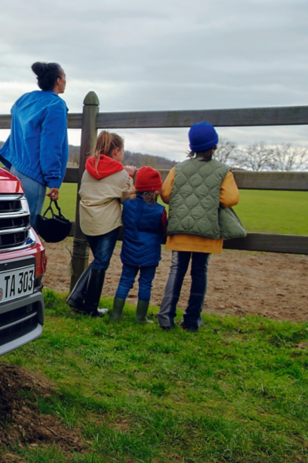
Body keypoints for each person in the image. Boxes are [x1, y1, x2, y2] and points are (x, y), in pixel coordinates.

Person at [157, 122, 240, 332]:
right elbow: (232, 198)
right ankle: (192, 319)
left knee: (176, 270)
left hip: (181, 229)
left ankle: (166, 317)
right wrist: (211, 198)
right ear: (214, 145)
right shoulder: (223, 171)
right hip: (207, 231)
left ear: (191, 146)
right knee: (199, 272)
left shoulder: (179, 168)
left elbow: (165, 194)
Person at [69, 131, 135, 316]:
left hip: (88, 221)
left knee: (98, 260)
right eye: (122, 150)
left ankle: (77, 298)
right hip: (107, 223)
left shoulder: (89, 168)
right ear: (116, 151)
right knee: (101, 263)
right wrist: (130, 176)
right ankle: (90, 308)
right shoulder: (120, 173)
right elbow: (127, 198)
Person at [0, 62, 69, 223]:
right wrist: (54, 181)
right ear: (58, 81)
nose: (65, 81)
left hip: (15, 168)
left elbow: (15, 113)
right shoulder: (56, 104)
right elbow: (51, 146)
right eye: (64, 77)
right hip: (33, 175)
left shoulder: (25, 99)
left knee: (13, 222)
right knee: (28, 227)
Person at [110, 167, 167, 323]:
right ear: (156, 188)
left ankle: (115, 315)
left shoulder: (127, 205)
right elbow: (163, 229)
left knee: (125, 281)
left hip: (129, 249)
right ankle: (140, 317)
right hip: (150, 252)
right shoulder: (160, 211)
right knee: (145, 283)